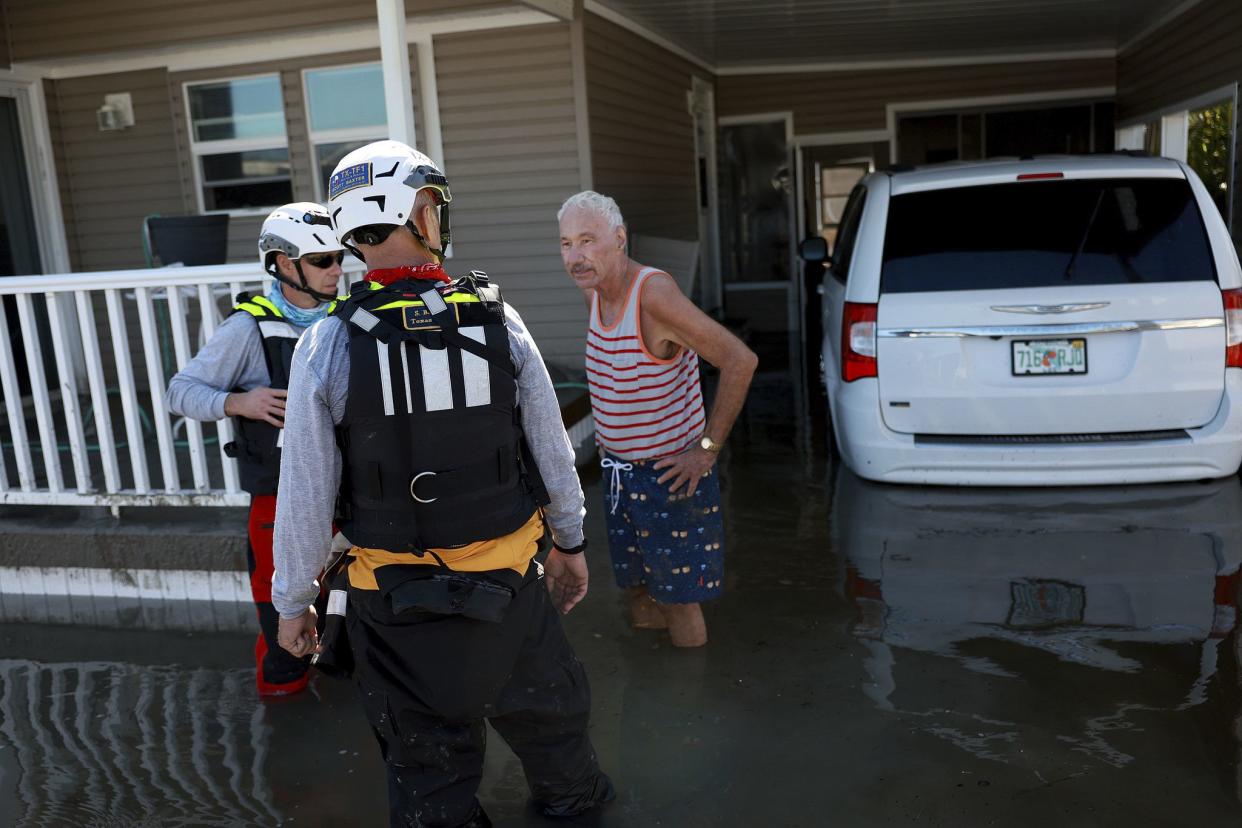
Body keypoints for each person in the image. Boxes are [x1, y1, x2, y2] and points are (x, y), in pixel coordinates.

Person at [271, 140, 614, 827]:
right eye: (431, 203)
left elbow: (305, 496)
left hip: (394, 612)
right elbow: (552, 452)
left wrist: (292, 604)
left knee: (430, 781)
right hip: (510, 595)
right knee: (561, 755)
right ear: (419, 213)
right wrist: (572, 545)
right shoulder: (499, 320)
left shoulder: (324, 346)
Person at [558, 191, 758, 647]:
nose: (576, 256)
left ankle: (689, 699)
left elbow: (739, 360)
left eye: (588, 240)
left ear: (620, 239)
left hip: (670, 475)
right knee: (638, 591)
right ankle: (655, 694)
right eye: (567, 243)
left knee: (678, 600)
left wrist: (705, 452)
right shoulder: (593, 292)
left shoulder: (654, 296)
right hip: (618, 474)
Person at [166, 202, 344, 695]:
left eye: (337, 258)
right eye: (322, 260)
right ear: (284, 264)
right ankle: (284, 737)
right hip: (279, 502)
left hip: (351, 498)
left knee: (351, 626)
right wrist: (238, 401)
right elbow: (179, 392)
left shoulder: (349, 320)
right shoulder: (248, 328)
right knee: (283, 634)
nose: (336, 270)